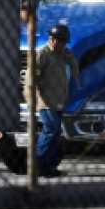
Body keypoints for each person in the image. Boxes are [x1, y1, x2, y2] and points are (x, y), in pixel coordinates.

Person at [33, 23, 77, 177]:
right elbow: (33, 77)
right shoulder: (43, 54)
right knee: (50, 131)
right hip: (47, 101)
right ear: (53, 40)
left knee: (56, 133)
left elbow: (75, 73)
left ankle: (49, 166)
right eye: (61, 42)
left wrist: (71, 60)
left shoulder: (62, 55)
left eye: (65, 43)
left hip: (59, 100)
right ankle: (38, 164)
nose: (63, 45)